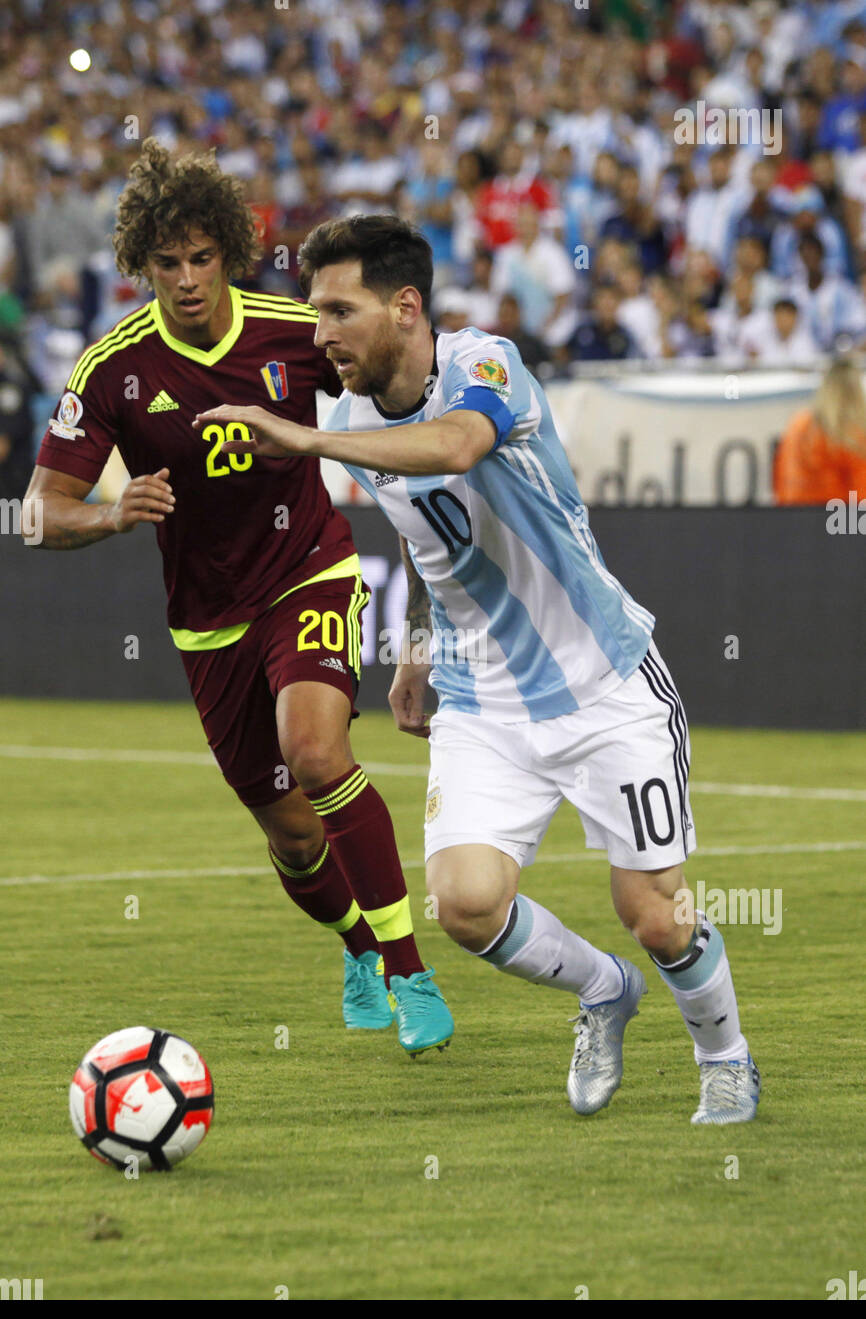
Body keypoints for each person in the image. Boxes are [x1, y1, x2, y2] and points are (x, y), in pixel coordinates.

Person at [193, 215, 761, 1126]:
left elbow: (455, 447)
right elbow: (432, 543)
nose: (321, 332)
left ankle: (725, 1056)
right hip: (484, 698)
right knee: (464, 906)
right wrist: (418, 643)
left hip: (604, 681)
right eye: (313, 311)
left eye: (340, 309)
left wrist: (303, 444)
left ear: (406, 307)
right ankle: (604, 991)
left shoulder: (481, 364)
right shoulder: (348, 410)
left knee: (658, 915)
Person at [23, 144, 453, 1059]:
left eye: (202, 258)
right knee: (294, 837)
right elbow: (37, 514)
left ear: (231, 251)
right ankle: (359, 950)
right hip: (205, 615)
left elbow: (385, 381)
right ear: (143, 265)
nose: (185, 281)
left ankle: (412, 972)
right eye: (165, 264)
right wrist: (108, 516)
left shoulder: (294, 331)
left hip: (307, 569)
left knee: (315, 752)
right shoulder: (111, 369)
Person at [774, 358, 866, 504]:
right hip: (837, 520)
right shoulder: (852, 433)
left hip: (790, 514)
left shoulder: (798, 424)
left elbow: (781, 479)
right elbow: (862, 494)